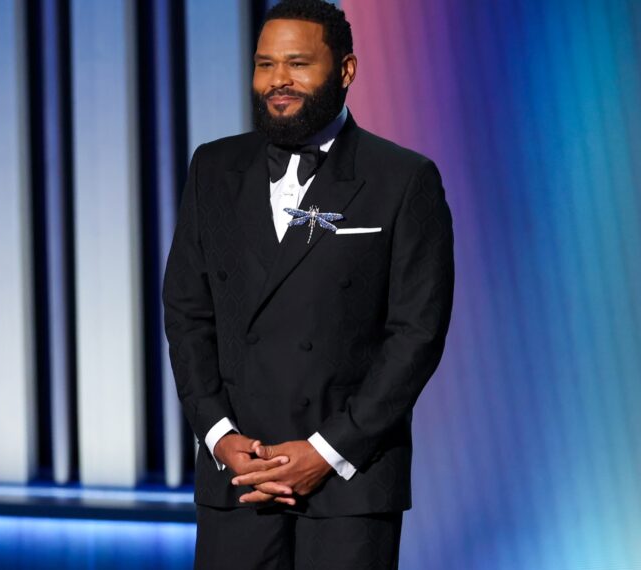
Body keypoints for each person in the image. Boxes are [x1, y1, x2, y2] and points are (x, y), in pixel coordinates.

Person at [162, 1, 454, 567]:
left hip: (350, 480)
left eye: (297, 64)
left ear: (345, 70)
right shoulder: (214, 168)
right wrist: (221, 436)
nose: (278, 82)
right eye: (265, 64)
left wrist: (327, 450)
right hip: (238, 479)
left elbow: (416, 334)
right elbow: (187, 312)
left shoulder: (403, 179)